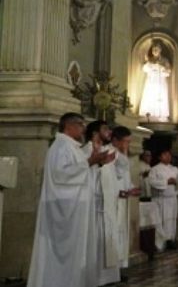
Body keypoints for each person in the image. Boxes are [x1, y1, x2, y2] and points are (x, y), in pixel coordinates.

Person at [27, 113, 114, 287]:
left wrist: (98, 163)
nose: (84, 129)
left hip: (76, 208)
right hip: (65, 211)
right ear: (69, 126)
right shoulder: (60, 147)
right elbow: (61, 175)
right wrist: (90, 161)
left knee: (77, 253)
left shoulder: (72, 147)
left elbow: (81, 173)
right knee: (64, 254)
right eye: (81, 125)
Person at [83, 120, 123, 286]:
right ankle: (94, 277)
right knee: (95, 239)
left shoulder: (109, 150)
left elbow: (115, 175)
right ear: (94, 131)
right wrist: (98, 163)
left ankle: (107, 277)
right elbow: (83, 173)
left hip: (108, 202)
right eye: (105, 129)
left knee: (107, 238)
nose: (109, 132)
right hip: (93, 203)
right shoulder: (85, 149)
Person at [110, 126, 140, 277]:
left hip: (122, 200)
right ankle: (111, 269)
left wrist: (131, 188)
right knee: (114, 233)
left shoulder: (121, 156)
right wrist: (119, 191)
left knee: (121, 233)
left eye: (128, 142)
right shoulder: (109, 154)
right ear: (115, 140)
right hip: (113, 201)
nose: (127, 145)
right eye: (125, 142)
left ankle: (118, 267)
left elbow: (124, 178)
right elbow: (107, 178)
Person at [149, 150, 178, 251]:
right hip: (161, 199)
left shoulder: (175, 169)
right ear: (159, 157)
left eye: (169, 155)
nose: (168, 156)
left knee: (171, 220)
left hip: (172, 198)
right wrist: (166, 181)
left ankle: (171, 240)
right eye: (165, 154)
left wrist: (177, 182)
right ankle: (163, 242)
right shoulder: (155, 169)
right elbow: (152, 182)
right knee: (162, 220)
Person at [140, 42, 171, 122]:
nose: (155, 51)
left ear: (160, 50)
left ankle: (160, 115)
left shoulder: (164, 60)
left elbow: (168, 71)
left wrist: (160, 68)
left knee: (160, 98)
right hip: (151, 81)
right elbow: (145, 69)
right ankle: (149, 115)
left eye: (156, 49)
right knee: (150, 97)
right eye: (153, 49)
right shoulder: (149, 59)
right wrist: (149, 65)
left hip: (160, 82)